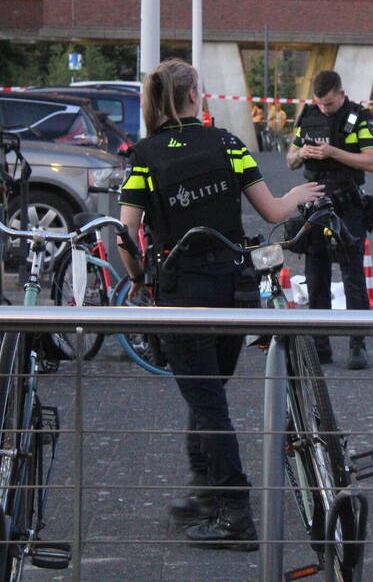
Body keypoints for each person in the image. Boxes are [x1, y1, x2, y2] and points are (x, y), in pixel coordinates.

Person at [117, 59, 324, 549]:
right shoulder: (229, 145)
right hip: (234, 290)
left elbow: (125, 232)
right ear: (195, 97)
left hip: (181, 292)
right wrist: (296, 192)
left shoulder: (145, 155)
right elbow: (272, 210)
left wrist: (138, 277)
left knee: (207, 403)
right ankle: (206, 492)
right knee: (209, 397)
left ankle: (235, 514)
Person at [286, 70, 373, 369]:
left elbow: (371, 161)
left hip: (347, 204)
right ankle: (320, 344)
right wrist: (302, 152)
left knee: (353, 276)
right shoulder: (309, 116)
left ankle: (358, 344)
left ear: (341, 94)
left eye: (329, 103)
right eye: (320, 103)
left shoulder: (360, 118)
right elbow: (289, 160)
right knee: (316, 276)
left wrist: (332, 152)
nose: (324, 109)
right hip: (314, 205)